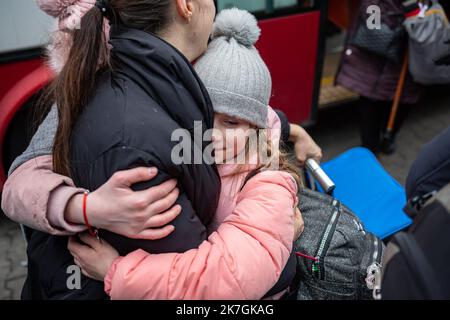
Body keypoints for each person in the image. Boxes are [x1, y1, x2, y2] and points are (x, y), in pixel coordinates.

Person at [0, 1, 318, 300]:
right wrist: (87, 208)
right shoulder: (118, 96)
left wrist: (290, 131)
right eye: (207, 117)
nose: (212, 133)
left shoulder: (165, 70)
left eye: (231, 123)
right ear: (186, 5)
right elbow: (20, 181)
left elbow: (242, 106)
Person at [336, 0, 422, 154]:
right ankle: (369, 148)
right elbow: (372, 23)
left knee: (404, 98)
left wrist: (415, 19)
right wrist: (400, 30)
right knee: (370, 101)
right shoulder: (373, 5)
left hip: (406, 59)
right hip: (373, 56)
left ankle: (388, 135)